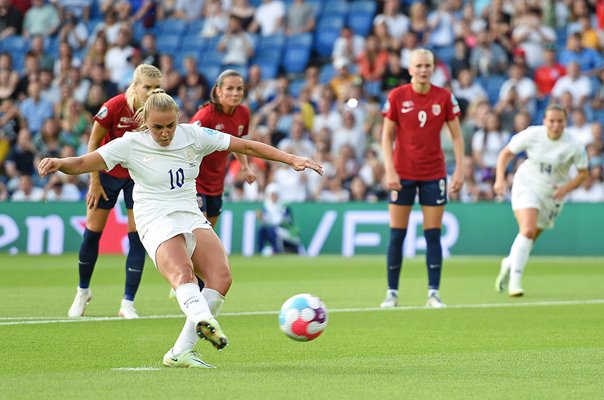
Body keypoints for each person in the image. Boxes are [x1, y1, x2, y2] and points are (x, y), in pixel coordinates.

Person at [38, 89, 323, 368]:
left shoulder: (194, 135)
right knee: (183, 273)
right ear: (145, 122)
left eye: (170, 125)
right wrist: (59, 163)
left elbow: (245, 145)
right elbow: (85, 162)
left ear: (178, 119)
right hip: (154, 218)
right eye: (157, 127)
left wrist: (292, 159)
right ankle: (203, 319)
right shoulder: (130, 143)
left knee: (221, 277)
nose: (165, 132)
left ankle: (181, 352)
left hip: (188, 212)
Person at [67, 64, 162, 320]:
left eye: (156, 87)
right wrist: (93, 182)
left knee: (137, 239)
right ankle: (82, 291)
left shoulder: (158, 109)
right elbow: (93, 143)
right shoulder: (115, 105)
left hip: (137, 178)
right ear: (135, 86)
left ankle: (128, 303)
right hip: (106, 174)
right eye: (147, 87)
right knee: (91, 235)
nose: (153, 92)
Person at [380, 49, 464, 309]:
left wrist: (460, 169)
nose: (424, 69)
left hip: (434, 173)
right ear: (410, 68)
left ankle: (433, 293)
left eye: (428, 65)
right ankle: (392, 293)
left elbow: (457, 137)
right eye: (419, 65)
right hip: (402, 173)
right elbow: (386, 136)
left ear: (433, 68)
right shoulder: (397, 96)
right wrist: (390, 169)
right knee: (397, 235)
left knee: (432, 235)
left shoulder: (444, 97)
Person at [493, 104, 588, 297]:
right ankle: (515, 282)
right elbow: (505, 154)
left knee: (530, 238)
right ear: (544, 121)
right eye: (551, 121)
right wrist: (500, 179)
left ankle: (510, 262)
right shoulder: (532, 135)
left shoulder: (574, 145)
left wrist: (566, 188)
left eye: (559, 121)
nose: (555, 125)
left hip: (552, 194)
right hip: (527, 183)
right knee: (527, 230)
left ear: (565, 122)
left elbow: (583, 173)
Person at [190, 69, 256, 227]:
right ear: (218, 91)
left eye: (239, 89)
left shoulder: (244, 113)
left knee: (209, 230)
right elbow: (187, 142)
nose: (235, 93)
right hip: (195, 181)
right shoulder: (205, 115)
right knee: (200, 229)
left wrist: (245, 167)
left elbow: (238, 142)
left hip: (217, 183)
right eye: (230, 88)